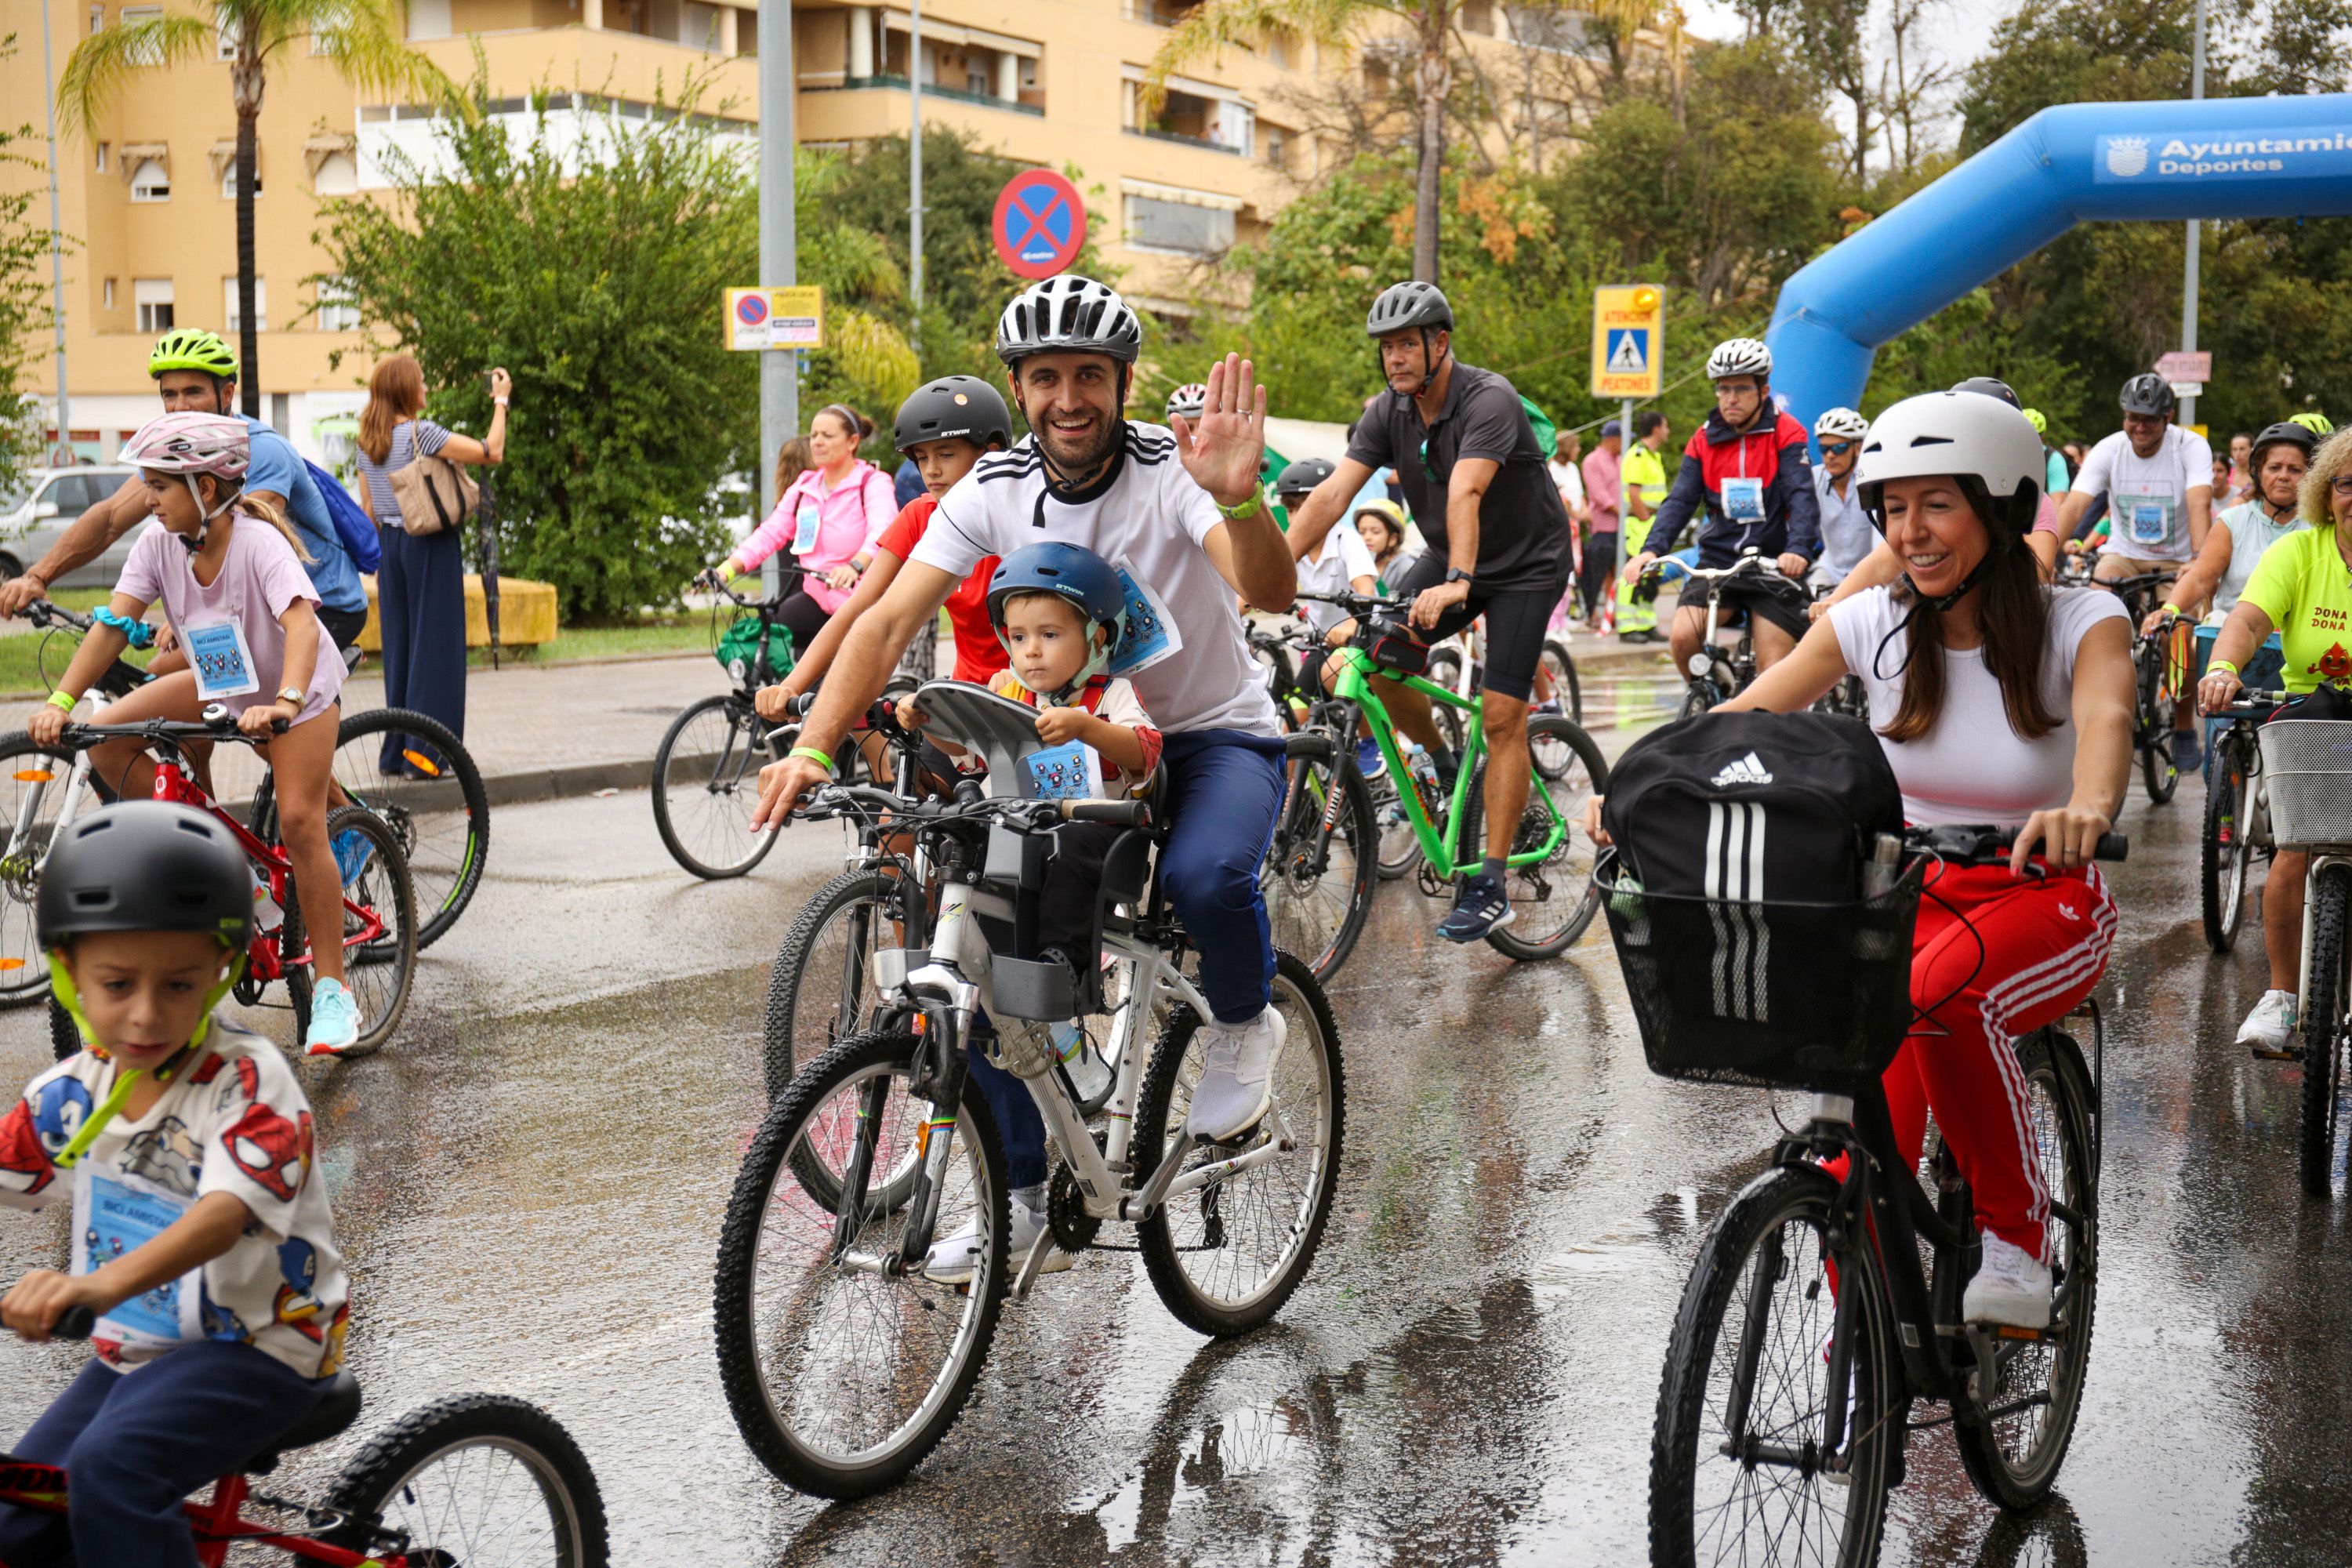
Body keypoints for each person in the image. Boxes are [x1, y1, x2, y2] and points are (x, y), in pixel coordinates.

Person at [1593, 390, 2133, 1328]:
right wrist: (1642, 788)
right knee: (1850, 1101)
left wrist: (2085, 805)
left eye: (1937, 504)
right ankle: (1869, 1333)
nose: (1909, 532)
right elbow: (1748, 712)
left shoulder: (2080, 618)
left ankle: (2019, 1235)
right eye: (1891, 507)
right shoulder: (1871, 622)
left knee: (1947, 995)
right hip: (1900, 896)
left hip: (2042, 897)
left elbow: (2107, 717)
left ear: (2002, 508)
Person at [749, 274, 1296, 1148]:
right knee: (989, 943)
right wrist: (813, 747)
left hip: (1205, 732)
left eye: (1090, 375)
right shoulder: (994, 486)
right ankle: (1024, 1193)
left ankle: (1242, 1021)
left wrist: (1238, 496)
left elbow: (1267, 587)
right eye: (1046, 378)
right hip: (1054, 740)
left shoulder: (1174, 467)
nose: (1068, 399)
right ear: (1019, 388)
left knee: (1201, 879)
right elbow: (888, 618)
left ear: (1124, 381)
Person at [0, 803, 352, 1567]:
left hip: (262, 1344)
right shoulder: (74, 1092)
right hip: (140, 1346)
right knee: (17, 1516)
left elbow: (223, 1215)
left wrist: (92, 1287)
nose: (146, 1013)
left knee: (112, 1474)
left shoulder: (250, 1082)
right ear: (68, 972)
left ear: (219, 971)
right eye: (117, 982)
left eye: (180, 983)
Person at [27, 415, 359, 1051]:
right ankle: (226, 864)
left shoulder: (259, 543)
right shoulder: (159, 544)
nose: (148, 499)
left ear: (207, 489)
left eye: (160, 485)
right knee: (106, 735)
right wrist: (62, 700)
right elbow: (113, 626)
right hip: (224, 682)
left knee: (299, 822)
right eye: (148, 484)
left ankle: (334, 993)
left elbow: (302, 625)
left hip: (297, 694)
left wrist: (286, 701)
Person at [1282, 280, 1577, 943]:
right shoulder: (1389, 413)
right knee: (1373, 661)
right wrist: (1266, 574)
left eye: (1407, 345)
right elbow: (1329, 499)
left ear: (1439, 343)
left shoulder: (1488, 398)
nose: (1395, 359)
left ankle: (1491, 883)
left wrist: (1462, 583)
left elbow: (1467, 491)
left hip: (1526, 566)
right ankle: (1443, 762)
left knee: (1503, 716)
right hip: (1449, 557)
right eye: (1386, 349)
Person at [910, 545, 1163, 1281]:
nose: (1031, 652)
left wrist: (1086, 730)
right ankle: (1016, 1193)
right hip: (1017, 863)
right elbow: (967, 751)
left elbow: (1146, 752)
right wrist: (923, 721)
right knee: (963, 828)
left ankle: (1060, 991)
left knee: (1080, 831)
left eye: (1051, 636)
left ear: (1098, 641)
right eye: (1019, 637)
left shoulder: (1112, 694)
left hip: (1097, 854)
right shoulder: (1005, 689)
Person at [0, 331, 370, 661]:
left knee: (175, 679)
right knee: (165, 689)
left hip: (323, 606)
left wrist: (191, 616)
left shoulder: (265, 452)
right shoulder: (175, 455)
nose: (179, 407)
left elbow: (243, 549)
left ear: (226, 394)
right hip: (251, 606)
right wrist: (37, 577)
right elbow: (112, 518)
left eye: (193, 392)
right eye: (169, 395)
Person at [763, 376, 1016, 785]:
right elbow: (860, 609)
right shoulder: (921, 515)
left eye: (946, 454)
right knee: (899, 822)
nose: (930, 470)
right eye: (921, 457)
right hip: (966, 699)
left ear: (990, 453)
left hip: (1033, 702)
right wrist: (790, 685)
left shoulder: (1024, 514)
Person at [2199, 426, 2352, 1055]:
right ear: (2328, 493)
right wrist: (2222, 668)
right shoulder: (2299, 553)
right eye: (2347, 485)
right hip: (2311, 714)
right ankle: (2283, 996)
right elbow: (2249, 617)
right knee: (2292, 848)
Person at [1624, 338, 1820, 677]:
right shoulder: (1704, 439)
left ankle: (1761, 721)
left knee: (1772, 670)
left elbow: (1802, 497)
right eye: (1723, 389)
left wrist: (1798, 550)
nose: (1731, 398)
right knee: (1683, 640)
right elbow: (1681, 501)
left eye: (1742, 388)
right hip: (1719, 562)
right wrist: (1650, 551)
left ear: (1763, 390)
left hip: (1772, 563)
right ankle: (1714, 700)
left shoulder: (1787, 432)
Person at [354, 354, 506, 775]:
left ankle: (396, 752)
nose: (425, 389)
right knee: (436, 649)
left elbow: (367, 506)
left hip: (390, 547)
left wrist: (378, 560)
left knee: (401, 651)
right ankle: (426, 756)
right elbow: (490, 452)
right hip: (430, 544)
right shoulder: (424, 434)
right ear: (405, 389)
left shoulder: (367, 441)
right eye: (420, 383)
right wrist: (501, 402)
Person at [718, 403, 895, 657]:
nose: (817, 442)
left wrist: (854, 566)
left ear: (852, 442)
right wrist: (727, 569)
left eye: (827, 435)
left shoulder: (871, 483)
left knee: (827, 690)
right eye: (813, 435)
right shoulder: (805, 486)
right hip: (817, 597)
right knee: (756, 640)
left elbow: (882, 534)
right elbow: (770, 532)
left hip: (859, 602)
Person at [1616, 411, 1671, 638]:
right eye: (1666, 427)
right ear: (1656, 429)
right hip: (1642, 522)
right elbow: (1634, 494)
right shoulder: (1638, 455)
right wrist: (1647, 521)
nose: (1668, 432)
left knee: (1651, 576)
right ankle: (1628, 626)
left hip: (1653, 521)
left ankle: (1646, 623)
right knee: (1634, 572)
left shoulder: (1653, 456)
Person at [1808, 406, 1874, 592]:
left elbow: (1882, 541)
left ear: (1857, 448)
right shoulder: (1813, 479)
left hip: (1870, 571)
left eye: (1839, 448)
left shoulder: (1872, 479)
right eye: (1824, 449)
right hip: (1831, 570)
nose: (1830, 455)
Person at [1580, 420, 1624, 630]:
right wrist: (1623, 512)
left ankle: (1613, 613)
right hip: (1602, 528)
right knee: (1597, 573)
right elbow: (1599, 496)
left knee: (1616, 573)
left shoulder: (1622, 460)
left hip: (1623, 528)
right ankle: (1592, 614)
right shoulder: (1592, 461)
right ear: (1613, 439)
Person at [1353, 500, 1414, 592]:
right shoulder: (1355, 564)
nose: (1367, 538)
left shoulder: (1406, 568)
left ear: (1393, 539)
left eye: (1375, 532)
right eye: (1362, 532)